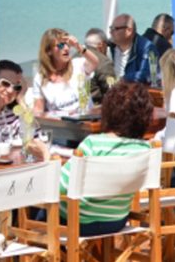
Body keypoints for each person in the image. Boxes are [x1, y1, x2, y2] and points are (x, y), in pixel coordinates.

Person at [54, 83, 154, 236]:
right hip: (116, 220)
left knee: (39, 211)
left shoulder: (93, 144)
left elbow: (61, 186)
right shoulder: (145, 149)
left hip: (79, 222)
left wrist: (47, 158)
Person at [30, 28, 99, 116]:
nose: (66, 48)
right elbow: (38, 109)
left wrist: (78, 46)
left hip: (86, 123)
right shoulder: (40, 78)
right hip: (61, 126)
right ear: (49, 51)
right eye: (60, 45)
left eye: (68, 44)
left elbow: (95, 62)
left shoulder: (78, 65)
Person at [108, 13, 155, 85]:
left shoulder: (147, 48)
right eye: (111, 28)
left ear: (129, 30)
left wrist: (123, 79)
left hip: (136, 93)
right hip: (115, 92)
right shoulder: (111, 46)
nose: (110, 32)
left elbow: (149, 75)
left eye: (115, 29)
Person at [84, 28, 116, 102]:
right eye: (106, 46)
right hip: (95, 107)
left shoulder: (73, 58)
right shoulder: (104, 62)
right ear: (101, 44)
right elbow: (111, 92)